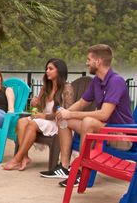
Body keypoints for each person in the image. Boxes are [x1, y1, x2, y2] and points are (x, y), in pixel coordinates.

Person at [48, 44, 134, 187]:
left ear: (98, 61)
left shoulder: (116, 81)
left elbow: (104, 114)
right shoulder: (97, 81)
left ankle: (82, 172)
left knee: (88, 121)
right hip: (104, 131)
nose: (87, 62)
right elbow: (82, 102)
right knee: (64, 120)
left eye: (89, 59)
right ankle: (64, 167)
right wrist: (64, 113)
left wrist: (71, 113)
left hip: (123, 137)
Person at [3, 58, 74, 171]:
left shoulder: (67, 88)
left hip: (58, 123)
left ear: (59, 71)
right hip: (43, 120)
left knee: (32, 123)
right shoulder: (46, 88)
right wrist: (35, 103)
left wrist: (44, 116)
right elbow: (39, 108)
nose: (47, 71)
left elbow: (67, 112)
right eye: (46, 68)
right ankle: (25, 157)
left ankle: (17, 159)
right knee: (21, 121)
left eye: (50, 69)